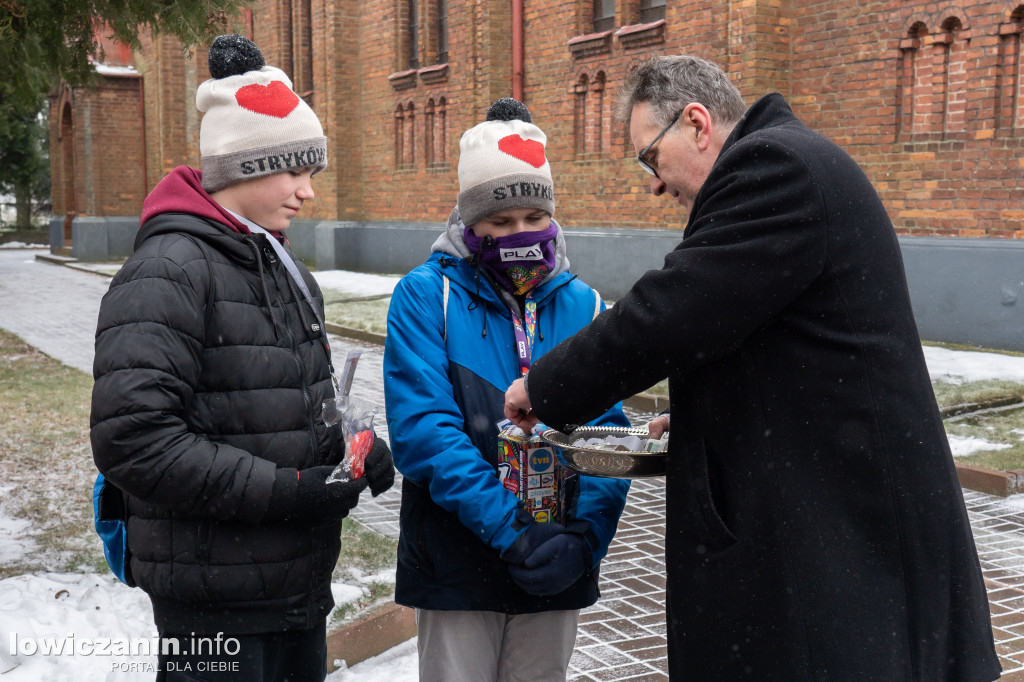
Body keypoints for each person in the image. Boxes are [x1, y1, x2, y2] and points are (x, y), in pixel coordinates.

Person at [505, 55, 1000, 680]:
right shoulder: (786, 163)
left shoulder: (775, 169)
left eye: (649, 158)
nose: (653, 184)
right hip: (834, 522)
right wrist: (700, 420)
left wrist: (544, 387)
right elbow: (760, 339)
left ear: (697, 123)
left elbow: (669, 312)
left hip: (844, 540)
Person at [90, 35, 394, 682]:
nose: (309, 194)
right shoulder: (167, 271)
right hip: (214, 611)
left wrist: (351, 449)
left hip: (294, 593)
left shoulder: (283, 266)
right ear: (243, 167)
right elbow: (135, 441)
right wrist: (286, 493)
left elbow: (284, 405)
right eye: (296, 172)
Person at [382, 98, 631, 681]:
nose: (519, 235)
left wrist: (587, 538)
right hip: (458, 557)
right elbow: (425, 434)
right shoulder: (425, 297)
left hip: (558, 553)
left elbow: (610, 434)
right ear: (469, 225)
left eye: (532, 219)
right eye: (498, 223)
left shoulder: (585, 304)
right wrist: (509, 530)